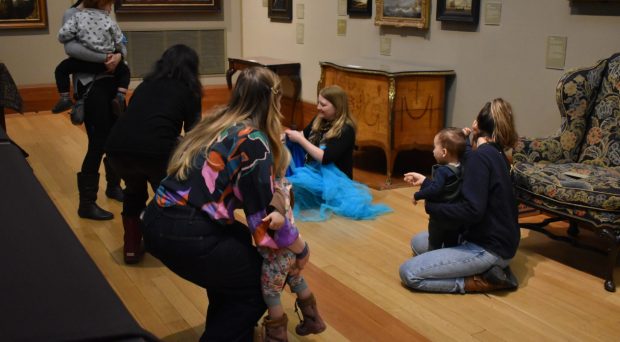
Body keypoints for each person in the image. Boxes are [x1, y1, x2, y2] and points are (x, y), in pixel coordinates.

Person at [141, 66, 309, 341]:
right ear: (273, 102)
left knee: (233, 270)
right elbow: (262, 229)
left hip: (156, 218)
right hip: (188, 232)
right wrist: (301, 250)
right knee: (258, 283)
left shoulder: (215, 123)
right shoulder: (255, 142)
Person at [399, 98, 521, 294]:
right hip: (498, 241)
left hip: (488, 248)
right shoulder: (496, 154)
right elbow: (460, 171)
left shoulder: (480, 159)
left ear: (477, 125)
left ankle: (482, 280)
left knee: (409, 272)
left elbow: (472, 210)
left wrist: (432, 207)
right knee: (418, 242)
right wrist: (426, 182)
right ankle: (490, 270)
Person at [105, 44, 202, 264]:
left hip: (116, 149)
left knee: (133, 192)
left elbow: (135, 119)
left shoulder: (145, 86)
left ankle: (131, 246)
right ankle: (169, 245)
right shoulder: (189, 91)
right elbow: (194, 135)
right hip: (155, 152)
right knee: (168, 197)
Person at [284, 85, 391, 221]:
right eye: (318, 103)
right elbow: (304, 134)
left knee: (294, 186)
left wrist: (300, 139)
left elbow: (325, 158)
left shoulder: (346, 130)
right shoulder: (320, 119)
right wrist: (287, 137)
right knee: (287, 184)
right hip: (315, 173)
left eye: (323, 105)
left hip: (336, 180)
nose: (318, 107)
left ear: (337, 107)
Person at [62, 0, 125, 220]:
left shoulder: (104, 10)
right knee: (98, 142)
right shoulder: (72, 13)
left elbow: (120, 42)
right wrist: (107, 58)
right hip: (90, 87)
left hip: (111, 83)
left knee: (117, 137)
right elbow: (71, 49)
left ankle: (113, 186)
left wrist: (118, 56)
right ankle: (87, 203)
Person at [255, 156, 326, 341]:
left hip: (276, 255)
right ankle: (314, 319)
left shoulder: (274, 190)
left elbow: (278, 214)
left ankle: (276, 336)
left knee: (271, 292)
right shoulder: (286, 185)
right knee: (295, 278)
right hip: (292, 250)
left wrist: (276, 215)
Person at [54, 0, 130, 116]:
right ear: (100, 3)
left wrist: (119, 56)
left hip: (103, 70)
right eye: (110, 5)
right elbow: (120, 42)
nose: (110, 9)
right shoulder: (107, 20)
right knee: (125, 70)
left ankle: (65, 98)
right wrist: (108, 57)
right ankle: (120, 95)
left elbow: (62, 36)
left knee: (61, 69)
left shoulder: (78, 17)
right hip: (91, 80)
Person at [404, 127, 467, 251]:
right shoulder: (462, 168)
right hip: (454, 219)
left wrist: (418, 195)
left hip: (439, 219)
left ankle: (432, 264)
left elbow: (435, 190)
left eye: (434, 147)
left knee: (434, 244)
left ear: (444, 152)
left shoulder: (442, 171)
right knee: (451, 246)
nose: (433, 151)